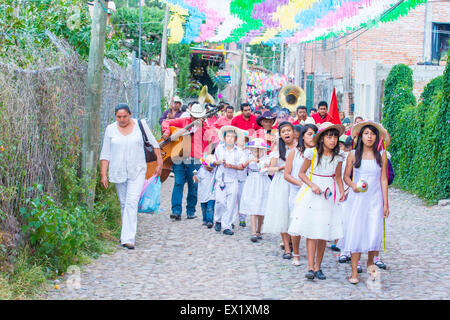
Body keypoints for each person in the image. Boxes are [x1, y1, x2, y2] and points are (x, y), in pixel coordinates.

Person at [100, 103, 163, 250]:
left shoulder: (140, 125)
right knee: (124, 203)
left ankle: (128, 238)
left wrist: (159, 163)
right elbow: (105, 153)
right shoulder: (110, 129)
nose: (121, 119)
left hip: (137, 170)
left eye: (124, 116)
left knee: (131, 202)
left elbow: (154, 144)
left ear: (130, 114)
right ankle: (125, 233)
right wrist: (103, 173)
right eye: (118, 117)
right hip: (118, 171)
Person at [288, 122, 346, 280]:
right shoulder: (311, 153)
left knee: (323, 233)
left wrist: (341, 191)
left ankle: (319, 267)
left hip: (329, 193)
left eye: (335, 137)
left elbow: (338, 177)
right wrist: (312, 185)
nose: (332, 140)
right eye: (329, 137)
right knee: (312, 232)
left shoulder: (339, 157)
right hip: (313, 193)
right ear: (321, 139)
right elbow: (301, 173)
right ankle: (310, 267)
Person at [341, 121, 390, 284]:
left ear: (377, 137)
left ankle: (371, 265)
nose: (369, 137)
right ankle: (354, 271)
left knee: (373, 232)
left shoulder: (381, 154)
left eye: (373, 134)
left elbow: (383, 179)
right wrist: (353, 185)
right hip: (358, 199)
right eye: (366, 133)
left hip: (375, 199)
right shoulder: (353, 154)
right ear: (361, 136)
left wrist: (385, 203)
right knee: (357, 231)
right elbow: (346, 176)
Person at [161, 102, 212, 221]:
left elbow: (211, 136)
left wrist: (203, 126)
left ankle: (191, 211)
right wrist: (166, 131)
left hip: (195, 159)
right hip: (179, 157)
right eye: (194, 116)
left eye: (197, 117)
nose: (195, 119)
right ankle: (176, 211)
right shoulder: (183, 121)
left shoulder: (205, 126)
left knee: (193, 186)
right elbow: (166, 122)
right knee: (178, 183)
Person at [284, 123, 318, 266]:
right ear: (302, 136)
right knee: (296, 223)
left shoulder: (319, 152)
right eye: (309, 134)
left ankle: (313, 257)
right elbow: (287, 174)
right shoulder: (294, 152)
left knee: (314, 223)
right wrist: (301, 184)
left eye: (315, 134)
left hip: (315, 192)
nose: (312, 137)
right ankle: (296, 253)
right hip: (297, 191)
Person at [262, 122, 297, 259]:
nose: (287, 133)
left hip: (295, 183)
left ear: (293, 132)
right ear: (280, 135)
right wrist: (283, 168)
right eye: (284, 131)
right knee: (283, 214)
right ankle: (287, 248)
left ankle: (293, 242)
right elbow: (270, 169)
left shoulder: (300, 148)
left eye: (289, 130)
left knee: (294, 214)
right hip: (281, 183)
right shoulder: (278, 150)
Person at [213, 126, 247, 235]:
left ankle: (226, 226)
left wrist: (230, 166)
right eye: (228, 136)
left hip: (233, 180)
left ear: (236, 139)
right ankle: (218, 219)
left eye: (232, 137)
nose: (230, 139)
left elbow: (241, 166)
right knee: (220, 201)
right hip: (221, 180)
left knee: (231, 204)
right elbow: (214, 161)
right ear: (224, 138)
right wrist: (218, 162)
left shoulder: (239, 151)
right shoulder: (219, 148)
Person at [239, 138, 271, 243]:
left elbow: (268, 170)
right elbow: (242, 167)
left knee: (262, 204)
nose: (257, 152)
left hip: (263, 181)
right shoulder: (248, 157)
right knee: (253, 205)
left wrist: (264, 166)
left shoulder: (266, 158)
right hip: (252, 180)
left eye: (259, 150)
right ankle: (253, 232)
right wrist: (250, 161)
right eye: (254, 150)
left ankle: (259, 230)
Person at [193, 154, 216, 229]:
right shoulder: (201, 170)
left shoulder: (215, 171)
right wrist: (195, 178)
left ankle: (210, 221)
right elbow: (197, 179)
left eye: (211, 167)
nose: (210, 169)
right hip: (203, 193)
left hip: (212, 193)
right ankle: (204, 219)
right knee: (204, 208)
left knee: (210, 207)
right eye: (208, 167)